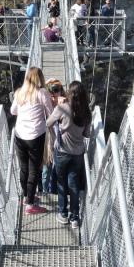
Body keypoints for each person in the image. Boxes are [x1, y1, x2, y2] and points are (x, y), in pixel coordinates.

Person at [46, 81, 92, 229]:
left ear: (69, 94)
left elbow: (48, 123)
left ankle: (63, 214)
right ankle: (75, 218)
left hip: (62, 152)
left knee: (61, 182)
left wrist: (59, 123)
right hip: (78, 153)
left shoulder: (62, 108)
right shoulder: (87, 112)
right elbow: (86, 134)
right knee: (73, 182)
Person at [10, 67, 53, 215]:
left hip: (20, 135)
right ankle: (30, 204)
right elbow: (50, 114)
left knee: (23, 167)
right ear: (40, 78)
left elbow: (13, 111)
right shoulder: (42, 93)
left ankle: (26, 195)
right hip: (35, 136)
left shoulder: (19, 92)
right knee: (34, 169)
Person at [40, 78, 65, 194]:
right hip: (48, 143)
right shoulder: (44, 105)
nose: (54, 94)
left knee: (59, 171)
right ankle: (45, 192)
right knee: (46, 170)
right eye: (51, 91)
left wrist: (64, 106)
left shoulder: (66, 104)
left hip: (63, 145)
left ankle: (56, 192)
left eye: (56, 90)